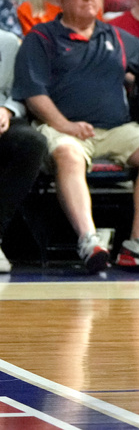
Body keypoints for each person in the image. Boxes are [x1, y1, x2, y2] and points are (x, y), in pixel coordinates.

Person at [13, 0, 139, 271]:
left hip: (115, 129)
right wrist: (64, 125)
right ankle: (89, 239)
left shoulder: (117, 37)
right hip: (65, 129)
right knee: (68, 154)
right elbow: (33, 93)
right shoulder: (43, 37)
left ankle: (138, 241)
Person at [0, 28, 48, 272]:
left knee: (32, 143)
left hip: (2, 118)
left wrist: (6, 110)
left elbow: (19, 91)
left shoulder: (8, 42)